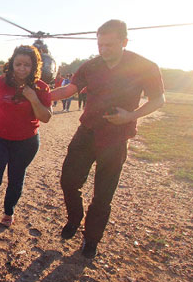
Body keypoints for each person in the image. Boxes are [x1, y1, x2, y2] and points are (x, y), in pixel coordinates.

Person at [50, 19, 165, 259]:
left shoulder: (145, 66)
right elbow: (69, 90)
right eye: (100, 45)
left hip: (116, 137)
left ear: (124, 42)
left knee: (103, 194)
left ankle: (91, 240)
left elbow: (158, 100)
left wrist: (131, 116)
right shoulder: (91, 66)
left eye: (109, 45)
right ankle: (74, 218)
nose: (103, 50)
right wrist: (39, 97)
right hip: (87, 132)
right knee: (68, 181)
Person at [0, 45, 52, 244]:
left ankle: (9, 212)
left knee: (16, 179)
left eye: (27, 65)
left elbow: (46, 117)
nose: (22, 68)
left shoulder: (42, 87)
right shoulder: (0, 82)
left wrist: (33, 98)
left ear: (34, 66)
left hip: (25, 142)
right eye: (18, 64)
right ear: (12, 64)